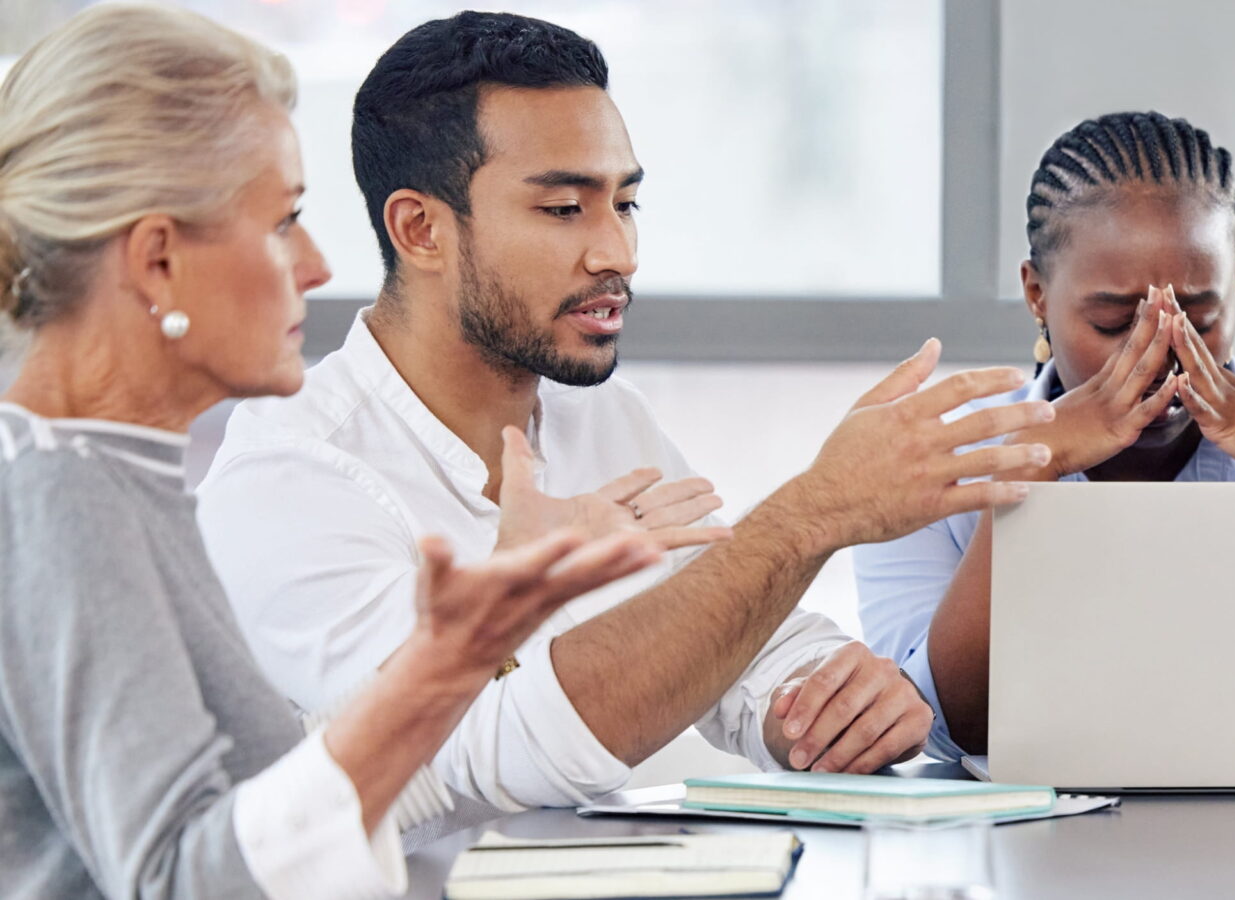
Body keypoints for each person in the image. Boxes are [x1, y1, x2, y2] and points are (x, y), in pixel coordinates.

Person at [194, 11, 1052, 828]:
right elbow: (485, 749)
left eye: (625, 203)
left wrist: (821, 702)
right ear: (420, 229)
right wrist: (814, 512)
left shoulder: (601, 415)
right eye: (565, 209)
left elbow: (740, 640)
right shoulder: (291, 476)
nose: (618, 252)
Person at [0, 6, 659, 897]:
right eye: (282, 222)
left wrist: (459, 664)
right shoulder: (62, 496)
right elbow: (181, 883)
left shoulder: (113, 479)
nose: (314, 265)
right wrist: (449, 663)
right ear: (158, 263)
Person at [855, 111, 1235, 759]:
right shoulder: (936, 465)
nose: (1162, 351)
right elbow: (950, 727)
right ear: (1037, 296)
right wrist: (1034, 469)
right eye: (1115, 322)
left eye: (1200, 317)